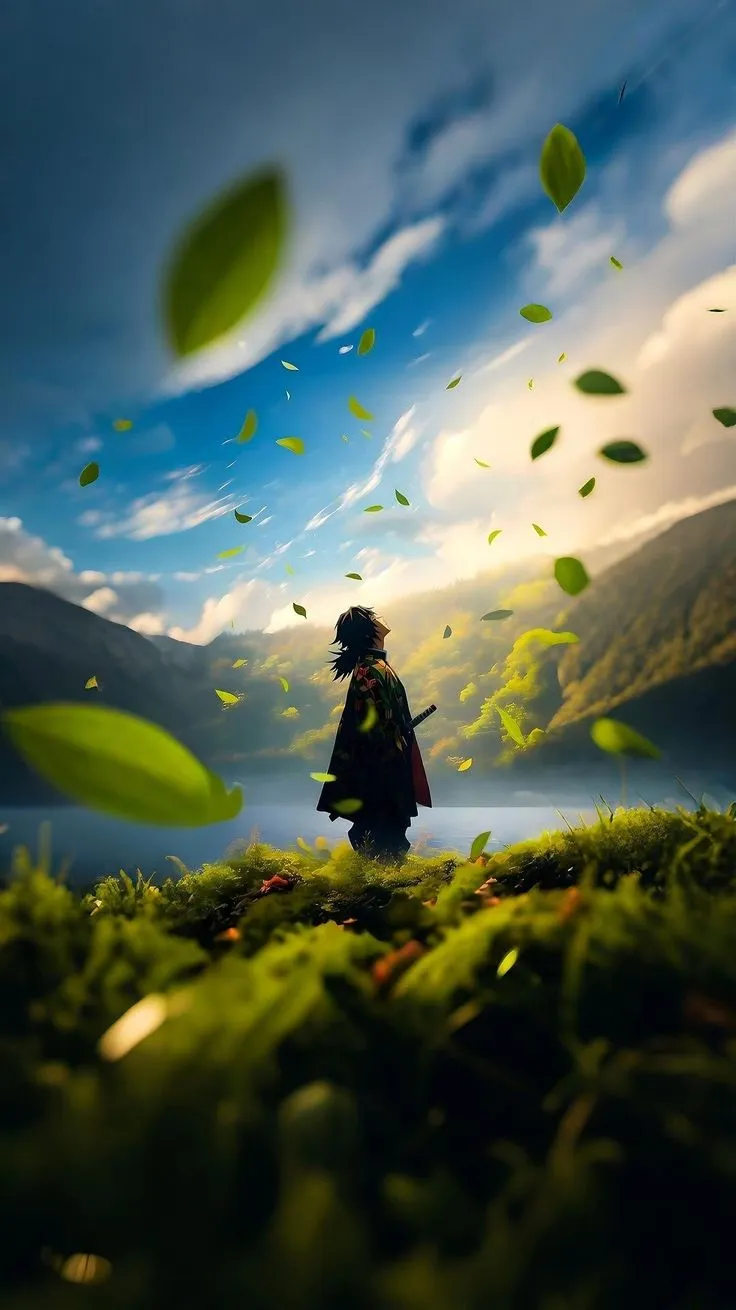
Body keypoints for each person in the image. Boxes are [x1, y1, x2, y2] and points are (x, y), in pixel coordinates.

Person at [315, 605, 431, 861]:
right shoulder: (370, 669)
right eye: (374, 616)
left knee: (388, 830)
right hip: (382, 768)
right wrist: (392, 740)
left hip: (386, 763)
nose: (381, 617)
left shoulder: (374, 665)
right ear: (370, 629)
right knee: (385, 831)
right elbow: (372, 726)